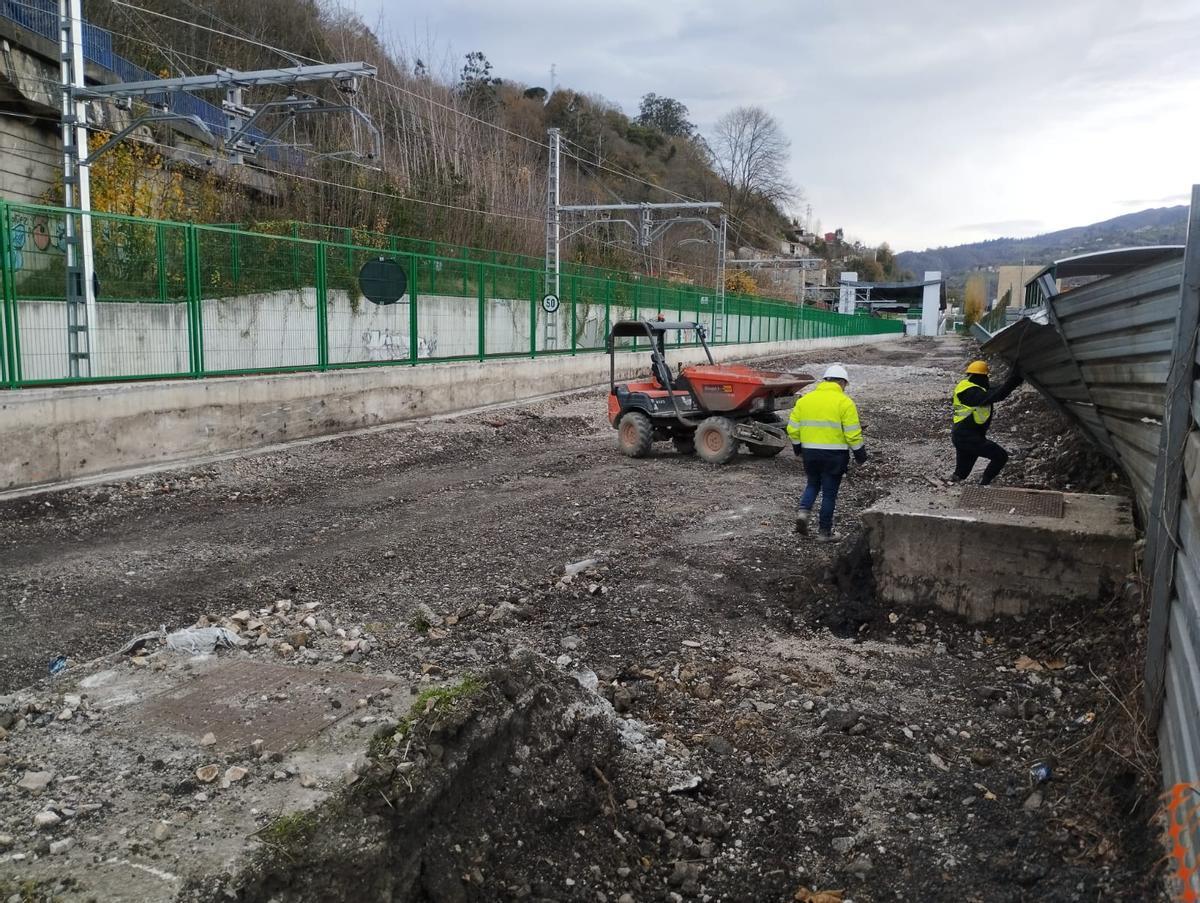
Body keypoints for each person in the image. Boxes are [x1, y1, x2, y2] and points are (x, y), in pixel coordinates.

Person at [786, 364, 868, 542]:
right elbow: (853, 434)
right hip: (834, 456)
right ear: (842, 383)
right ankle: (824, 533)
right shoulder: (845, 402)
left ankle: (803, 513)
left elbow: (792, 429)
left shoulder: (805, 400)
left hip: (810, 453)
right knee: (829, 493)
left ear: (825, 380)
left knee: (812, 484)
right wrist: (861, 456)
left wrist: (798, 448)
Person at [950, 360, 1023, 485]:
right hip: (966, 436)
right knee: (1000, 456)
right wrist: (1015, 379)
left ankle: (952, 483)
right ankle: (984, 484)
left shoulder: (970, 386)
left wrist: (1013, 376)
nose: (987, 379)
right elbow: (997, 395)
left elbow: (998, 388)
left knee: (961, 473)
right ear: (983, 376)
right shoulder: (970, 392)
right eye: (985, 376)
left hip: (964, 435)